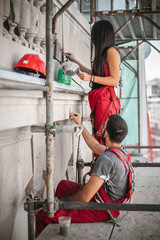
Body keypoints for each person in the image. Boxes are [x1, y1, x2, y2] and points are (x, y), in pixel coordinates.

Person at [36, 112, 133, 237]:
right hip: (108, 201)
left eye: (104, 126)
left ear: (106, 133)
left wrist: (60, 202)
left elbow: (84, 198)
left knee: (43, 215)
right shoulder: (121, 152)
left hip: (103, 209)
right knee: (63, 185)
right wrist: (80, 125)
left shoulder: (106, 160)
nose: (102, 127)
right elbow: (95, 145)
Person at [66, 20, 121, 148]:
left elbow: (114, 80)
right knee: (99, 135)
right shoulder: (104, 53)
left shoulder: (111, 51)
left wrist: (90, 78)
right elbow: (96, 74)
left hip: (106, 101)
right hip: (101, 100)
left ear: (101, 35)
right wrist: (75, 61)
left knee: (103, 137)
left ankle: (103, 164)